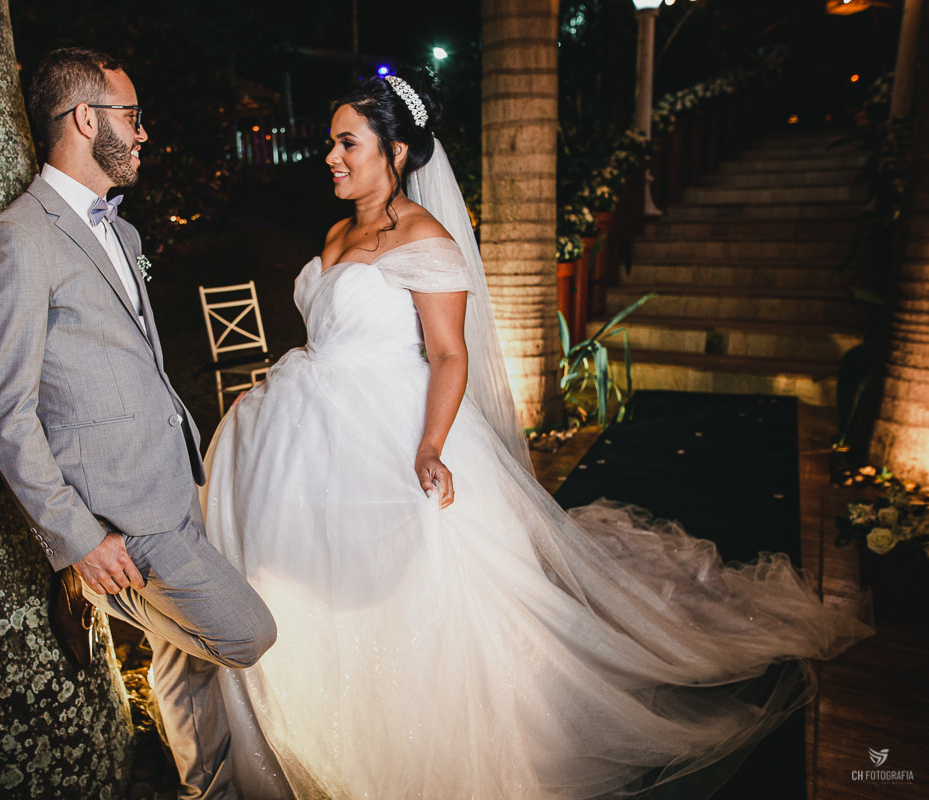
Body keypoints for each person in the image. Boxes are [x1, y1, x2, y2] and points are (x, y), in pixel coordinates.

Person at [201, 74, 872, 800]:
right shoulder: (334, 234)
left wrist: (429, 448)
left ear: (394, 151)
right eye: (332, 143)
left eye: (346, 143)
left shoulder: (425, 236)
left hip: (389, 424)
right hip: (308, 423)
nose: (330, 156)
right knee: (306, 574)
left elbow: (449, 353)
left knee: (418, 588)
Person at [0, 47, 276, 800]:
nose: (142, 134)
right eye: (130, 116)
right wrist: (78, 537)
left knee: (187, 667)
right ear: (83, 119)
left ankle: (209, 789)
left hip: (171, 478)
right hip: (122, 523)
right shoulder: (15, 241)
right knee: (246, 634)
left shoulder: (125, 235)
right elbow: (3, 410)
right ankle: (93, 588)